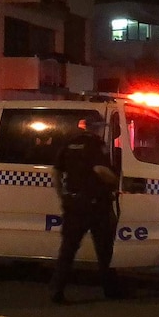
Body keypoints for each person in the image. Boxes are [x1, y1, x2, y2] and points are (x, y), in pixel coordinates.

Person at [50, 125, 121, 303]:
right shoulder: (95, 144)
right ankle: (110, 290)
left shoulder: (68, 144)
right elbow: (100, 170)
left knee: (67, 249)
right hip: (96, 205)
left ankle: (56, 291)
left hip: (73, 204)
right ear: (96, 128)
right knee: (105, 250)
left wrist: (62, 195)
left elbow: (55, 172)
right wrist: (116, 181)